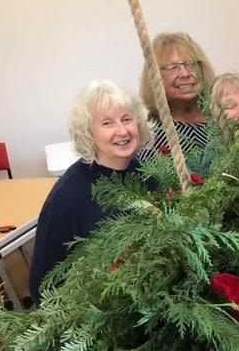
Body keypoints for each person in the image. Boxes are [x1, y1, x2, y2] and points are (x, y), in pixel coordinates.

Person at [30, 81, 152, 302]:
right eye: (107, 123)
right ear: (89, 133)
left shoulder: (149, 177)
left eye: (127, 119)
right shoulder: (68, 195)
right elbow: (43, 282)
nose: (122, 131)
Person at [138, 32, 215, 159]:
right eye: (172, 67)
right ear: (154, 76)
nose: (185, 73)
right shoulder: (146, 131)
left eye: (191, 64)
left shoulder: (223, 121)